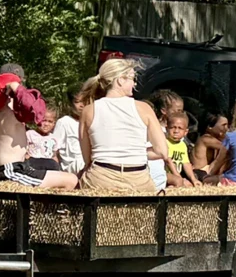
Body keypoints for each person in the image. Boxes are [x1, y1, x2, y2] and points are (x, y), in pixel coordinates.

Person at [79, 59, 169, 192]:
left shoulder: (89, 110)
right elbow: (163, 151)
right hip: (138, 181)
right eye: (132, 79)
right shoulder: (143, 108)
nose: (134, 83)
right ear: (120, 80)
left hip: (101, 179)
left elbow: (87, 159)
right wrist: (135, 152)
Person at [0, 69, 78, 189]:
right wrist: (15, 87)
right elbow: (34, 108)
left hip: (15, 168)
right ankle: (56, 208)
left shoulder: (3, 115)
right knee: (71, 180)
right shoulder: (9, 116)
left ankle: (43, 207)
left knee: (64, 177)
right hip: (12, 171)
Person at [52, 77, 99, 174]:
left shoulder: (94, 122)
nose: (82, 105)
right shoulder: (64, 122)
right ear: (70, 104)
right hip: (73, 167)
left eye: (84, 101)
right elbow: (53, 150)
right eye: (77, 102)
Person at [165, 110, 201, 187]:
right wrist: (180, 179)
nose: (176, 131)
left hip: (177, 176)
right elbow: (168, 161)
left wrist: (193, 179)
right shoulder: (165, 142)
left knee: (190, 186)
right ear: (167, 128)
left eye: (180, 128)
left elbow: (186, 163)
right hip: (166, 176)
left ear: (186, 132)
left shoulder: (183, 145)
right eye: (172, 127)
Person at [191, 111, 229, 179]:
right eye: (223, 125)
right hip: (199, 172)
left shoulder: (215, 140)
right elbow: (229, 147)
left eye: (227, 125)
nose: (226, 128)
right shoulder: (205, 139)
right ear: (210, 127)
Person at [26, 104, 63, 172]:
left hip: (48, 164)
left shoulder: (54, 138)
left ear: (54, 124)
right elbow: (24, 152)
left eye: (50, 121)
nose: (46, 124)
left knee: (53, 164)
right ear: (37, 120)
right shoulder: (30, 134)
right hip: (34, 162)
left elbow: (54, 156)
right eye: (44, 120)